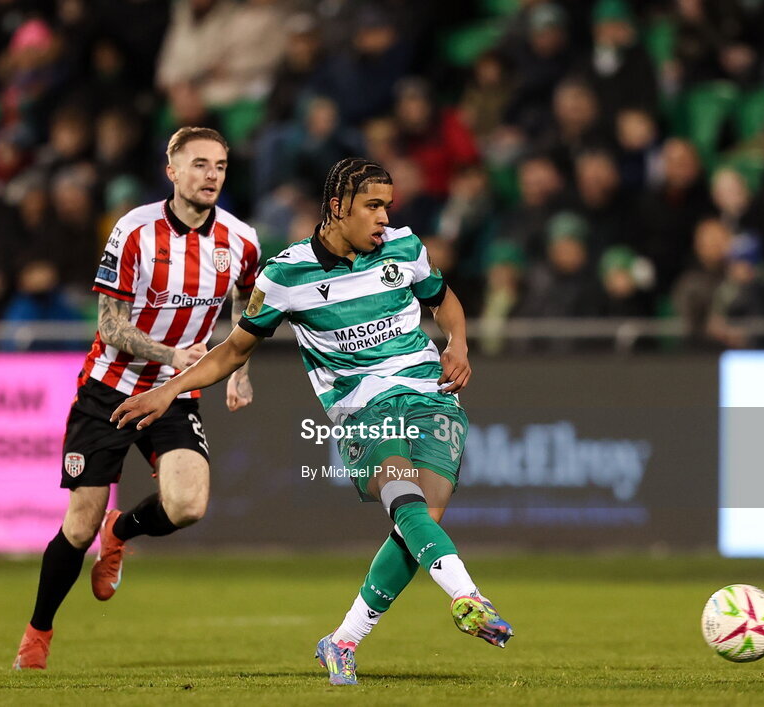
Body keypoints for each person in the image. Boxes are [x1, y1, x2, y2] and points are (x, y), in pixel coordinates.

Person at [110, 157, 513, 686]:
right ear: (338, 208)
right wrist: (167, 389)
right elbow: (233, 351)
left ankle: (342, 640)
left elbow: (444, 301)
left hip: (430, 394)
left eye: (387, 206)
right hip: (361, 408)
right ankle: (468, 597)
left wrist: (458, 342)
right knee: (406, 503)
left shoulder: (404, 247)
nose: (383, 218)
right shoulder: (286, 274)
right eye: (372, 206)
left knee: (420, 526)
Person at [12, 127, 262, 670]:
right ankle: (38, 632)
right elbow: (110, 325)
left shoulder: (241, 240)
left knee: (189, 506)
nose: (211, 175)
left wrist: (237, 371)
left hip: (173, 395)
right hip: (108, 389)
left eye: (219, 165)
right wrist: (172, 355)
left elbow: (246, 308)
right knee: (78, 524)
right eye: (199, 165)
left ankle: (120, 531)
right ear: (171, 171)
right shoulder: (134, 231)